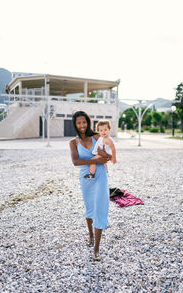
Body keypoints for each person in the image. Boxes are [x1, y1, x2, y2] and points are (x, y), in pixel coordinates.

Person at [69, 111, 111, 261]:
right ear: (75, 124)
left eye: (84, 122)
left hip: (100, 175)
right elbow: (75, 162)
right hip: (86, 177)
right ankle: (91, 236)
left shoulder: (97, 137)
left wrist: (102, 158)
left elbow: (108, 156)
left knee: (100, 207)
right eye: (79, 123)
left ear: (88, 122)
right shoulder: (73, 142)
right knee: (89, 207)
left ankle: (96, 249)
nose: (82, 125)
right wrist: (94, 161)